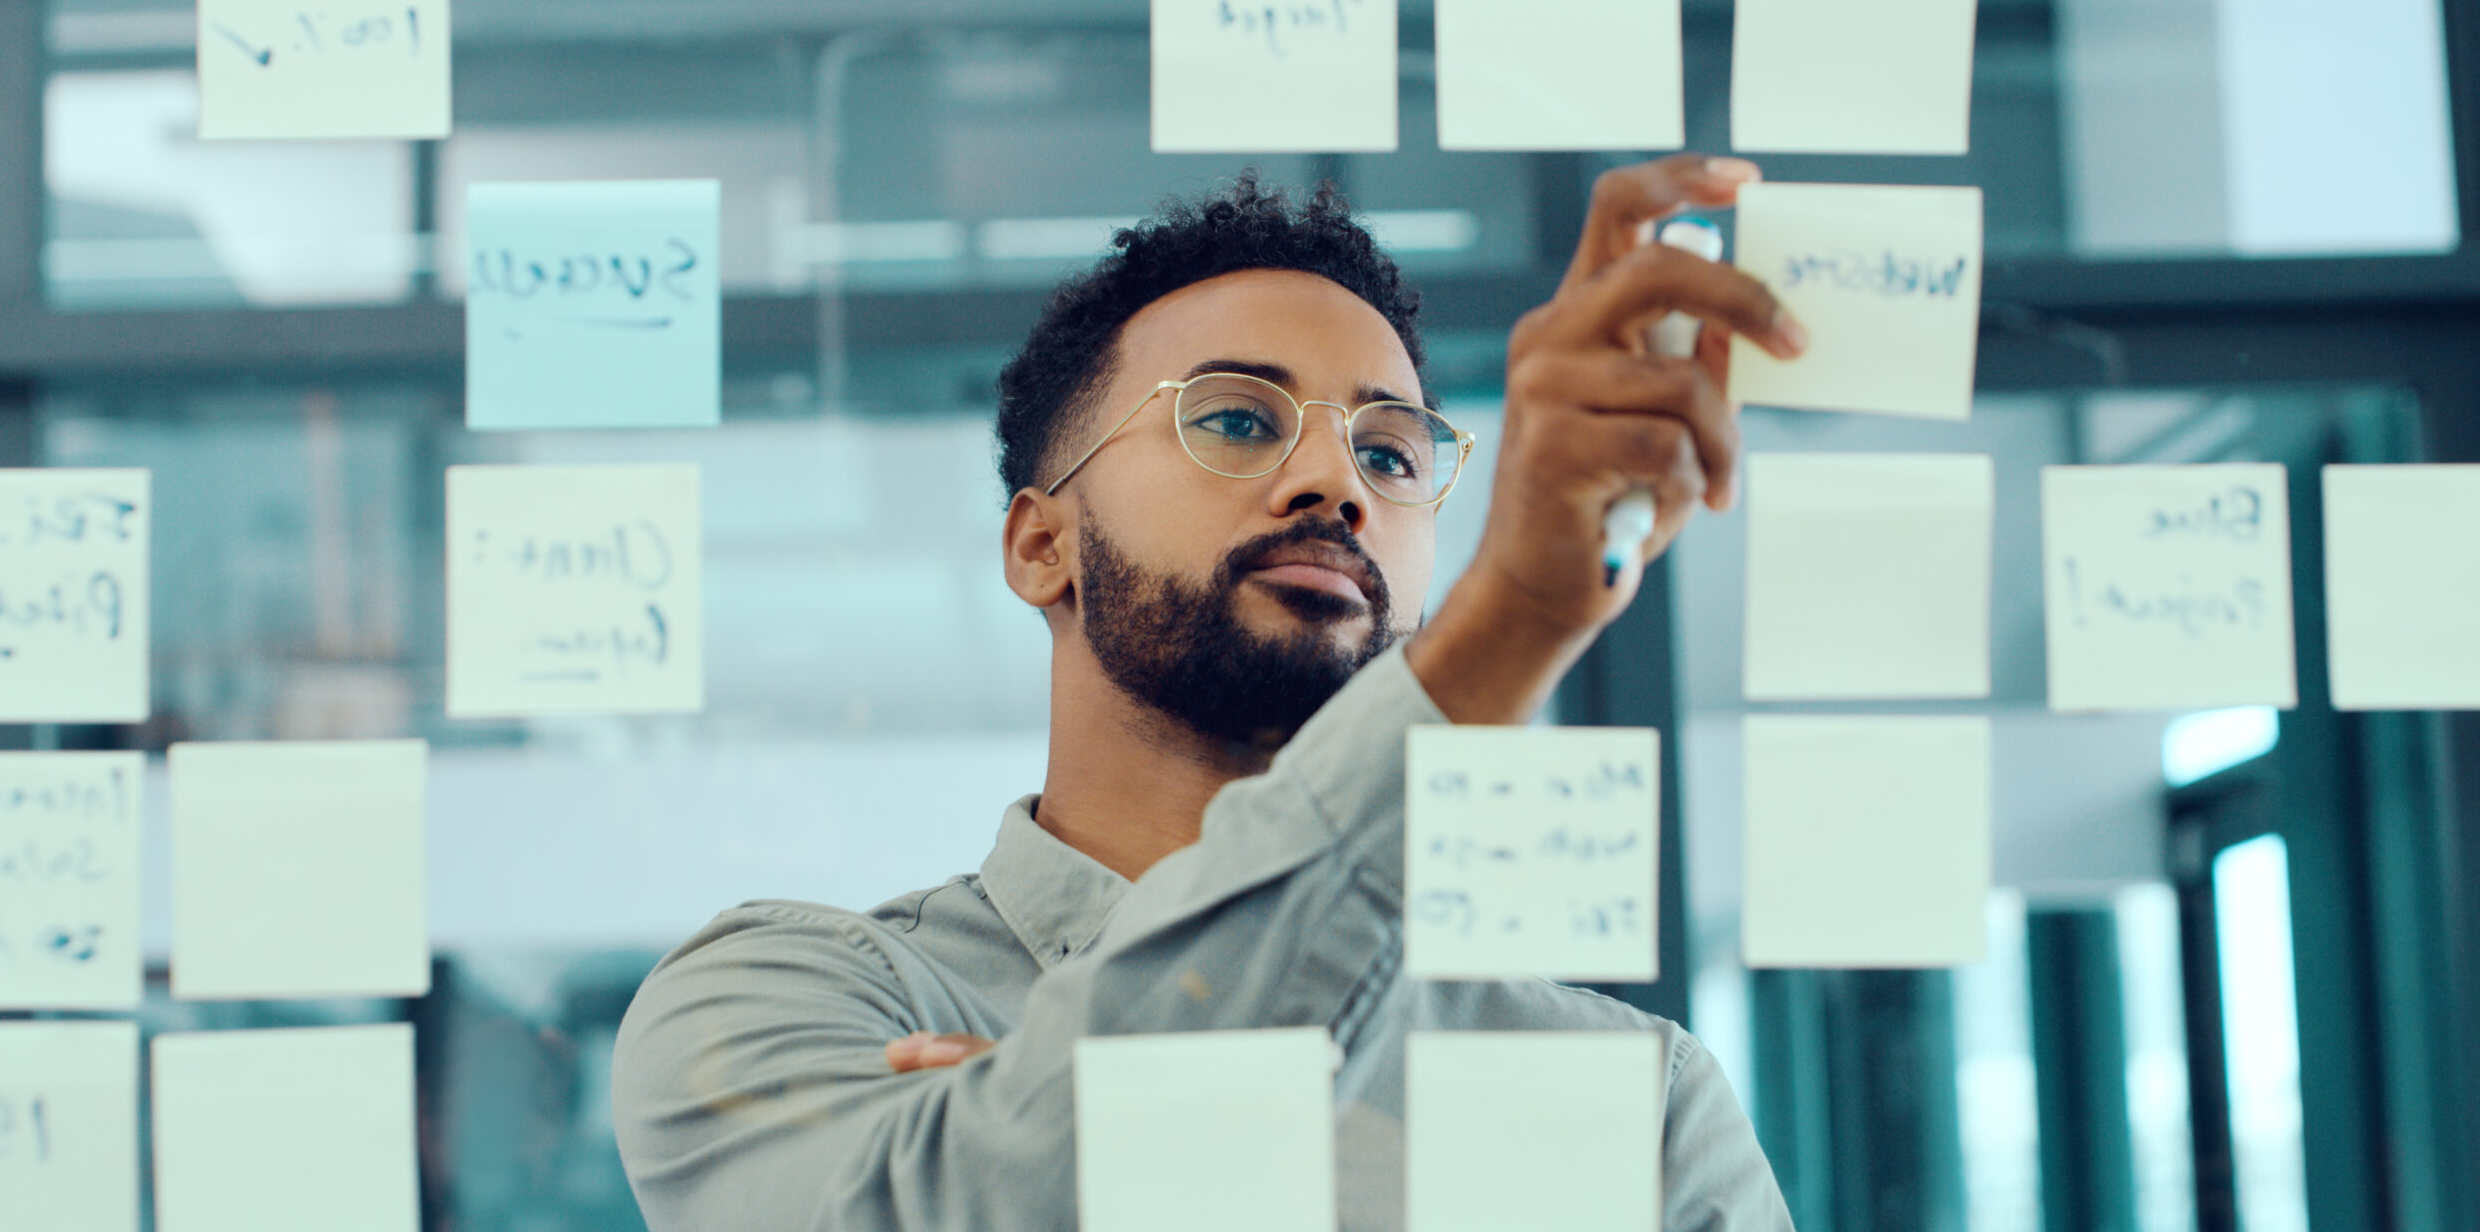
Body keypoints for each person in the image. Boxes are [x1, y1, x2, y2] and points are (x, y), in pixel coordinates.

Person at [612, 154, 1812, 1231]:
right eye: (1237, 419)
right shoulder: (789, 995)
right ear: (1043, 546)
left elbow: (996, 1197)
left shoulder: (1629, 1097)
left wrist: (1060, 1137)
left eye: (1390, 453)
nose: (1333, 481)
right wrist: (1514, 625)